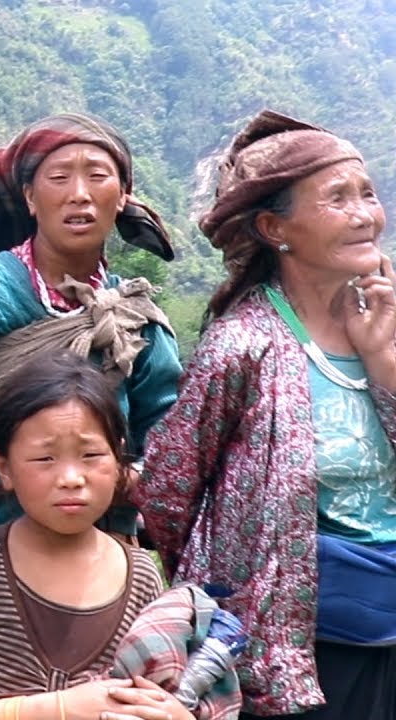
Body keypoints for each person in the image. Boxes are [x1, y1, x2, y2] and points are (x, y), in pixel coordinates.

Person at [0, 113, 182, 719]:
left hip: (105, 571)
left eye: (97, 176)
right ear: (29, 196)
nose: (79, 194)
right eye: (59, 177)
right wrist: (40, 464)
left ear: (122, 194)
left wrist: (121, 477)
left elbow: (168, 440)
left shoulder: (133, 314)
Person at [135, 110, 396, 719]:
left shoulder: (387, 322)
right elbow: (169, 490)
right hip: (305, 649)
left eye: (368, 193)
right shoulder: (242, 345)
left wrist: (383, 358)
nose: (365, 214)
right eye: (338, 198)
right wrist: (236, 582)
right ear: (275, 228)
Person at [0, 352, 235, 720]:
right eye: (45, 459)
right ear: (3, 467)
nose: (71, 478)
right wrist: (61, 708)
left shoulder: (141, 576)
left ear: (118, 460)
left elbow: (152, 692)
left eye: (91, 454)